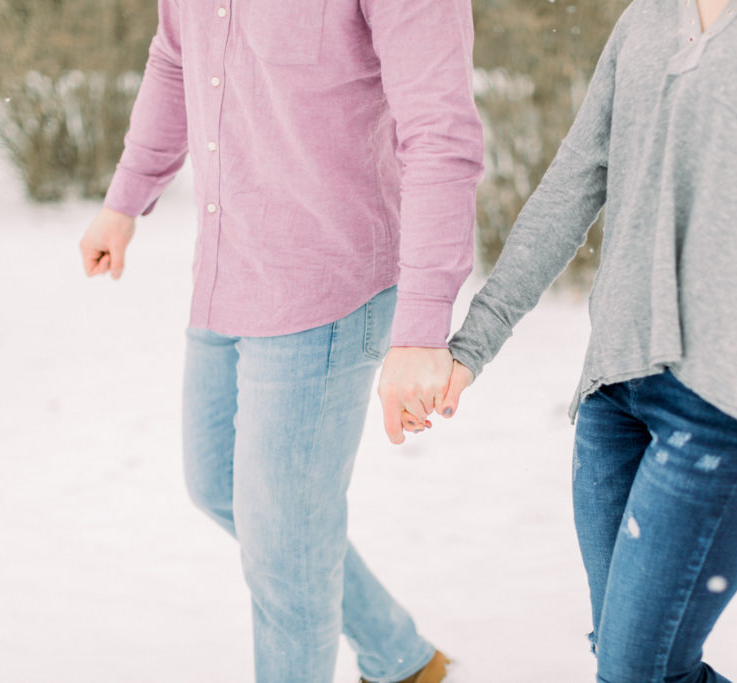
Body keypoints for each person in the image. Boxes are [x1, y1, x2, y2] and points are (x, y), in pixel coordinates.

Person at [392, 0, 737, 681]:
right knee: (641, 661)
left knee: (634, 669)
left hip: (734, 402)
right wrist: (473, 343)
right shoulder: (649, 16)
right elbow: (573, 182)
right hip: (613, 394)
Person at [78, 0, 483, 681]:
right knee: (221, 484)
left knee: (284, 558)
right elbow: (175, 58)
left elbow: (440, 133)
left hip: (326, 288)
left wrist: (421, 326)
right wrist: (125, 199)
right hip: (227, 267)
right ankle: (401, 656)